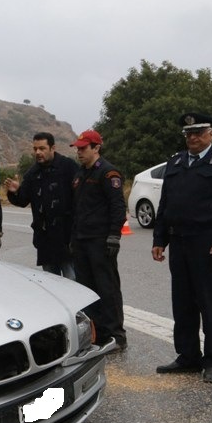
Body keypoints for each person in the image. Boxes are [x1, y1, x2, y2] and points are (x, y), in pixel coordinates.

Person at [152, 113, 212, 383]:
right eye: (189, 133)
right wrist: (159, 240)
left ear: (210, 134)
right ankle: (188, 356)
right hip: (178, 241)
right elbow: (165, 204)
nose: (193, 137)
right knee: (182, 304)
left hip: (208, 245)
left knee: (209, 304)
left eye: (199, 132)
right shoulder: (176, 161)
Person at [70, 129, 127, 351]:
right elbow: (77, 210)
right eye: (78, 148)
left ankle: (116, 335)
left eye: (84, 148)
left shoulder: (108, 173)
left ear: (96, 148)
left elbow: (117, 207)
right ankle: (97, 332)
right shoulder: (79, 175)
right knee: (87, 288)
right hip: (82, 239)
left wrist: (114, 235)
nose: (80, 152)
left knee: (107, 287)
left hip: (101, 241)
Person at [5, 132, 79, 279]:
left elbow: (81, 197)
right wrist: (15, 192)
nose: (38, 152)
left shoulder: (68, 167)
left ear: (53, 148)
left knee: (73, 283)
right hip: (46, 241)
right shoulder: (32, 173)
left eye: (42, 148)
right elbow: (22, 200)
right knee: (52, 284)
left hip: (67, 238)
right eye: (35, 149)